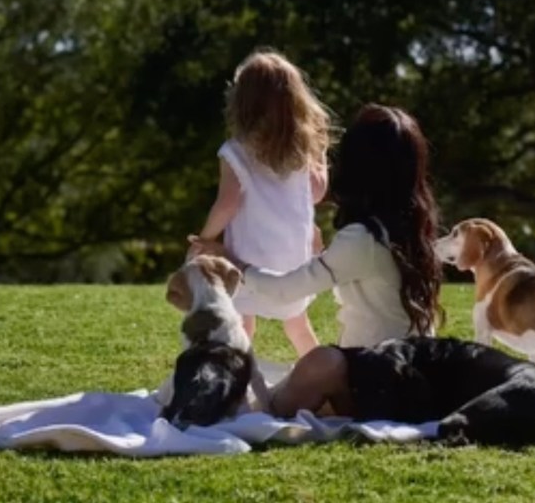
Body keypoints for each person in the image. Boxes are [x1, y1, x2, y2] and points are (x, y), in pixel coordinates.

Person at [188, 103, 445, 416]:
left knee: (318, 363)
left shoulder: (364, 238)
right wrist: (324, 256)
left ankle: (264, 406)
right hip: (416, 376)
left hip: (377, 381)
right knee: (315, 364)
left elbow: (284, 290)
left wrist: (233, 261)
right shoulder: (415, 229)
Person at [191, 49, 331, 357]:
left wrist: (206, 238)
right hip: (293, 259)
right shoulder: (300, 151)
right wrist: (320, 155)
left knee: (242, 325)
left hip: (247, 258)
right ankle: (328, 381)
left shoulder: (235, 151)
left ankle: (235, 381)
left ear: (242, 103)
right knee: (298, 325)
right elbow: (317, 192)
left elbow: (227, 203)